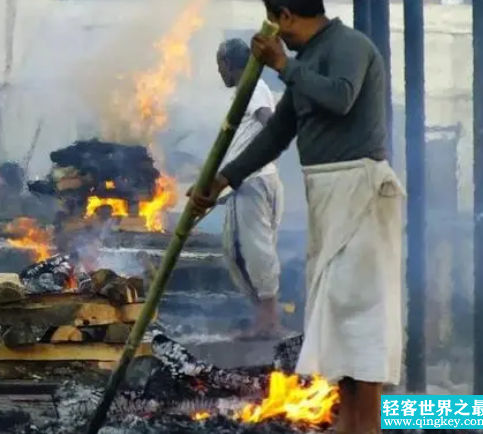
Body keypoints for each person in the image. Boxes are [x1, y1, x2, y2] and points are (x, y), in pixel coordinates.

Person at [188, 1, 404, 433]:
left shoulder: (349, 46)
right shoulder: (304, 63)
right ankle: (348, 423)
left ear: (286, 15)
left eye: (274, 19)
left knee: (362, 317)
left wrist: (284, 65)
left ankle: (370, 426)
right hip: (327, 197)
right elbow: (276, 134)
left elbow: (341, 98)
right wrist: (222, 181)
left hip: (360, 192)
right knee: (337, 316)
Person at [215, 38, 286, 340]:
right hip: (249, 182)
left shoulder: (253, 88)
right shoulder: (250, 91)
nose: (220, 74)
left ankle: (269, 321)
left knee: (252, 251)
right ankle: (263, 319)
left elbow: (268, 122)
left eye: (220, 67)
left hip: (253, 182)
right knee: (238, 251)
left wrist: (271, 140)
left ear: (228, 64)